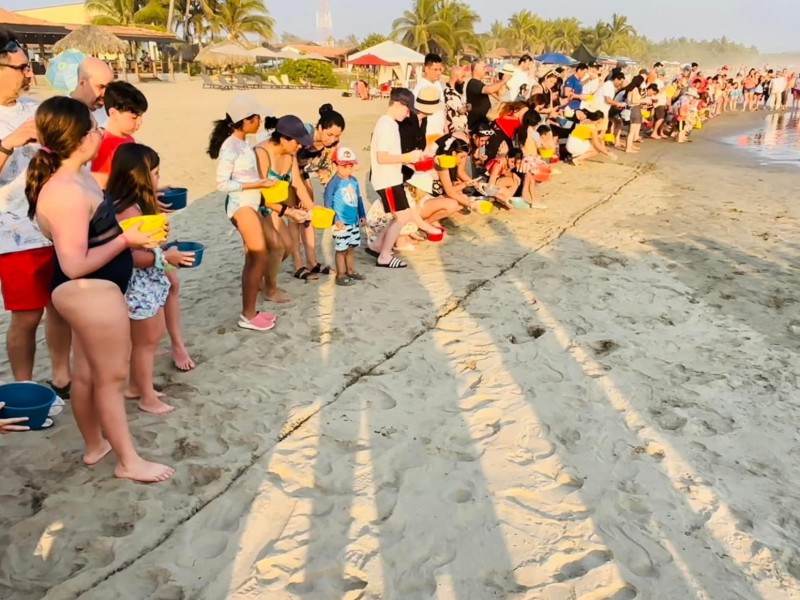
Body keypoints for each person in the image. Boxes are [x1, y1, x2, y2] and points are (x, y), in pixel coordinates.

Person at [26, 96, 173, 482]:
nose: (99, 134)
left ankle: (96, 445)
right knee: (110, 378)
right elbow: (74, 264)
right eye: (93, 129)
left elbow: (93, 235)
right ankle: (129, 461)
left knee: (89, 374)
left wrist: (130, 233)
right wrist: (127, 241)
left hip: (94, 290)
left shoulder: (78, 176)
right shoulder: (67, 190)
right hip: (89, 289)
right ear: (79, 138)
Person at [0, 28, 71, 401]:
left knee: (60, 306)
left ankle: (62, 377)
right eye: (22, 67)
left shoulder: (35, 108)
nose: (30, 74)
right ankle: (25, 389)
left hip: (56, 227)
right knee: (26, 315)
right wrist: (8, 144)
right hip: (13, 235)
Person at [110, 144, 194, 415]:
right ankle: (146, 396)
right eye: (155, 174)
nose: (158, 180)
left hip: (146, 284)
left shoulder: (129, 204)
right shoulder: (128, 211)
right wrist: (165, 258)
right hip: (139, 286)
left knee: (147, 340)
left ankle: (136, 386)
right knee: (146, 343)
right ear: (140, 177)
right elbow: (132, 255)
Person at [208, 94, 280, 331]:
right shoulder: (231, 146)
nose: (260, 121)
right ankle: (248, 314)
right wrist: (257, 185)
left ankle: (251, 311)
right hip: (241, 205)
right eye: (257, 118)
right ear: (246, 120)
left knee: (254, 256)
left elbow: (244, 175)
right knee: (258, 255)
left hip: (249, 203)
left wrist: (261, 182)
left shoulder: (243, 143)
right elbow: (222, 183)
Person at [367, 88, 439, 269]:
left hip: (392, 177)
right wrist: (407, 158)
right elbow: (381, 157)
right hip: (386, 179)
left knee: (402, 215)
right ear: (399, 104)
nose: (408, 115)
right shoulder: (385, 124)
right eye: (407, 110)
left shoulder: (390, 123)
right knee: (402, 216)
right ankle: (384, 255)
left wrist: (411, 158)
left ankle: (378, 246)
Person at [255, 115, 322, 283]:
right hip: (255, 206)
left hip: (275, 206)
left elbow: (297, 183)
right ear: (284, 138)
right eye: (297, 142)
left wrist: (313, 208)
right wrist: (289, 212)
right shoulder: (261, 153)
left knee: (286, 247)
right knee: (276, 247)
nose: (300, 146)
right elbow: (260, 195)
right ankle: (268, 286)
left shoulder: (290, 154)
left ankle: (263, 280)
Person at [90, 81, 147, 190]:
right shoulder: (105, 146)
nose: (140, 122)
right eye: (134, 117)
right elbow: (102, 187)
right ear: (113, 113)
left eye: (141, 117)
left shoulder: (128, 138)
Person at [323, 147, 366, 286]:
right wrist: (335, 220)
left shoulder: (354, 180)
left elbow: (358, 199)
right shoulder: (334, 183)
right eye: (344, 166)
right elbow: (328, 202)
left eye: (351, 166)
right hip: (341, 222)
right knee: (341, 250)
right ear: (336, 165)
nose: (348, 169)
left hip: (353, 222)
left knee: (351, 248)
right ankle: (340, 274)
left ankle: (350, 270)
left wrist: (362, 215)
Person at [69, 57, 114, 127]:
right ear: (82, 83)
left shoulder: (112, 112)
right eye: (101, 87)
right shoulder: (60, 114)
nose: (105, 94)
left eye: (108, 88)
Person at [412, 53, 446, 142]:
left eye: (440, 69)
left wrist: (445, 126)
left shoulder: (437, 84)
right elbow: (414, 111)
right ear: (427, 69)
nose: (439, 72)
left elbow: (442, 107)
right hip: (428, 132)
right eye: (435, 70)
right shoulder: (421, 87)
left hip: (439, 131)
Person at [466, 61, 507, 128]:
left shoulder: (479, 83)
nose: (486, 70)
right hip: (477, 124)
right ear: (476, 68)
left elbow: (492, 92)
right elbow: (490, 89)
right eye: (484, 67)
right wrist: (504, 80)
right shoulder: (473, 83)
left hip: (482, 122)